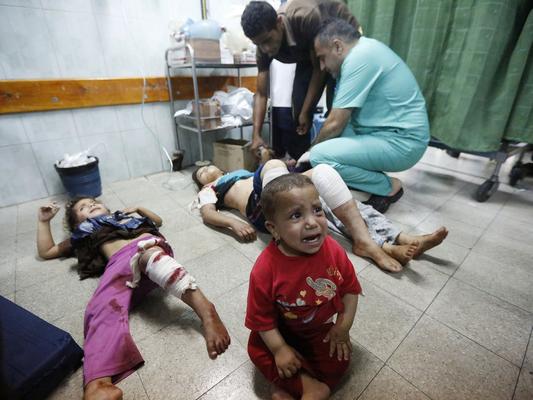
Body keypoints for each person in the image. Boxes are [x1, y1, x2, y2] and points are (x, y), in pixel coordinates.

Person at [37, 198, 230, 400]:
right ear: (78, 223)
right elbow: (47, 251)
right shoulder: (85, 232)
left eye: (94, 202)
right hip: (119, 266)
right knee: (99, 308)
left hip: (148, 249)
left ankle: (207, 311)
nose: (91, 205)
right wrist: (43, 221)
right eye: (83, 208)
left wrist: (139, 208)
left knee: (149, 255)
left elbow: (158, 221)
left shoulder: (125, 218)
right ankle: (98, 383)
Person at [192, 154, 448, 272]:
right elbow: (207, 213)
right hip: (264, 207)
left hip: (282, 190)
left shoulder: (239, 173)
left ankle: (392, 240)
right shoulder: (211, 188)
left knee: (325, 178)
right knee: (272, 165)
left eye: (210, 167)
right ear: (202, 182)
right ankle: (377, 243)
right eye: (202, 172)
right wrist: (232, 224)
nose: (208, 170)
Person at [245, 173, 362, 399]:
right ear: (274, 228)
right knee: (257, 348)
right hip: (280, 329)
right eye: (296, 215)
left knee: (341, 357)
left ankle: (295, 385)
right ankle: (303, 385)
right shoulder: (265, 269)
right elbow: (261, 319)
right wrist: (279, 349)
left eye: (317, 210)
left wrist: (343, 326)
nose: (312, 221)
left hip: (318, 330)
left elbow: (350, 290)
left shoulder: (334, 250)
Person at [308, 18, 431, 213]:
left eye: (322, 57)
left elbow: (334, 123)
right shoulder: (365, 51)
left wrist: (309, 153)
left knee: (319, 156)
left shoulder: (359, 58)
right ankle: (366, 183)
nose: (322, 66)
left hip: (403, 142)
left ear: (337, 46)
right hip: (388, 134)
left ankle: (388, 186)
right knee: (332, 145)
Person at [240, 0, 359, 160]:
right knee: (298, 115)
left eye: (268, 40)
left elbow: (320, 69)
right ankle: (300, 162)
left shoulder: (306, 17)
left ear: (279, 23)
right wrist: (256, 135)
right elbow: (261, 94)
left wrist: (307, 111)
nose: (265, 49)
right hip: (307, 53)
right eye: (258, 44)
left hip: (337, 41)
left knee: (335, 105)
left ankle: (339, 161)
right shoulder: (262, 44)